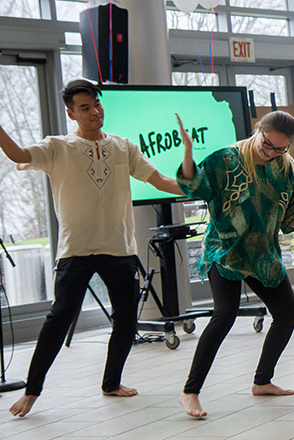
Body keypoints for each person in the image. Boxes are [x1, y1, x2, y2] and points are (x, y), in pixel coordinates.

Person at [3, 79, 182, 418]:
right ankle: (32, 391)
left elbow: (159, 181)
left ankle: (111, 383)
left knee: (127, 320)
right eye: (85, 108)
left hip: (118, 248)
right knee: (59, 318)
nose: (94, 111)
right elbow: (16, 155)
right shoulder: (56, 147)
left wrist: (199, 187)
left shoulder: (123, 146)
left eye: (97, 104)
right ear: (72, 114)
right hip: (75, 250)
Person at [175, 111, 294, 418]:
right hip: (226, 249)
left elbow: (292, 215)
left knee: (288, 313)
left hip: (261, 252)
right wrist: (188, 154)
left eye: (280, 149)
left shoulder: (287, 168)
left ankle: (263, 381)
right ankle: (190, 392)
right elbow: (193, 188)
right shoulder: (225, 160)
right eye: (268, 144)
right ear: (260, 130)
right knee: (225, 314)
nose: (271, 152)